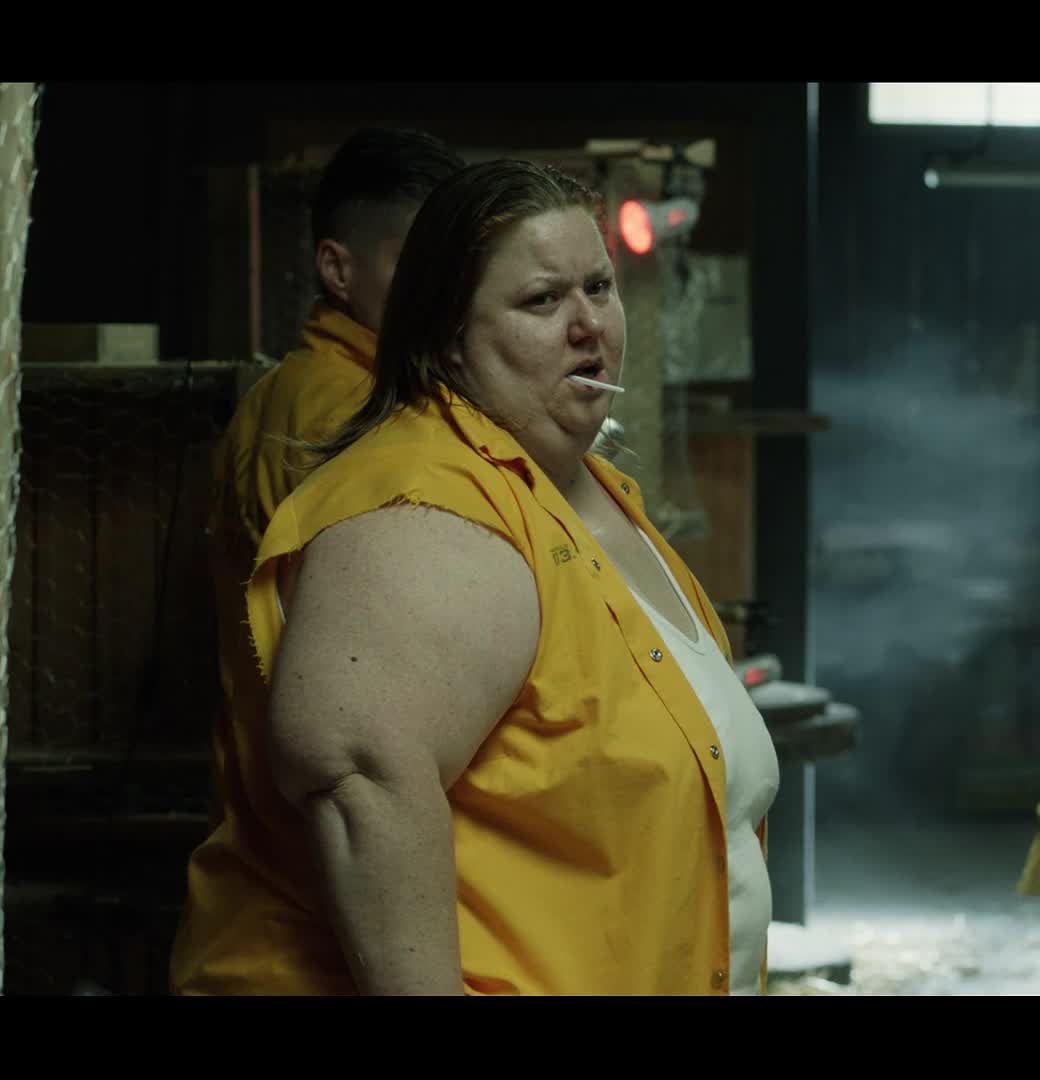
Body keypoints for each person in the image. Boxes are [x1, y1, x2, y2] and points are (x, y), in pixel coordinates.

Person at [171, 159, 779, 995]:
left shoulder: (584, 489)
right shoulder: (424, 508)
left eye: (599, 287)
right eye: (542, 300)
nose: (588, 325)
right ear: (448, 334)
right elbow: (360, 776)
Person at [203, 128, 464, 832]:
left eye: (460, 262)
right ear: (337, 269)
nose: (446, 291)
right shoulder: (361, 418)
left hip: (275, 829)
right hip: (328, 847)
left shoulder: (287, 390)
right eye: (415, 262)